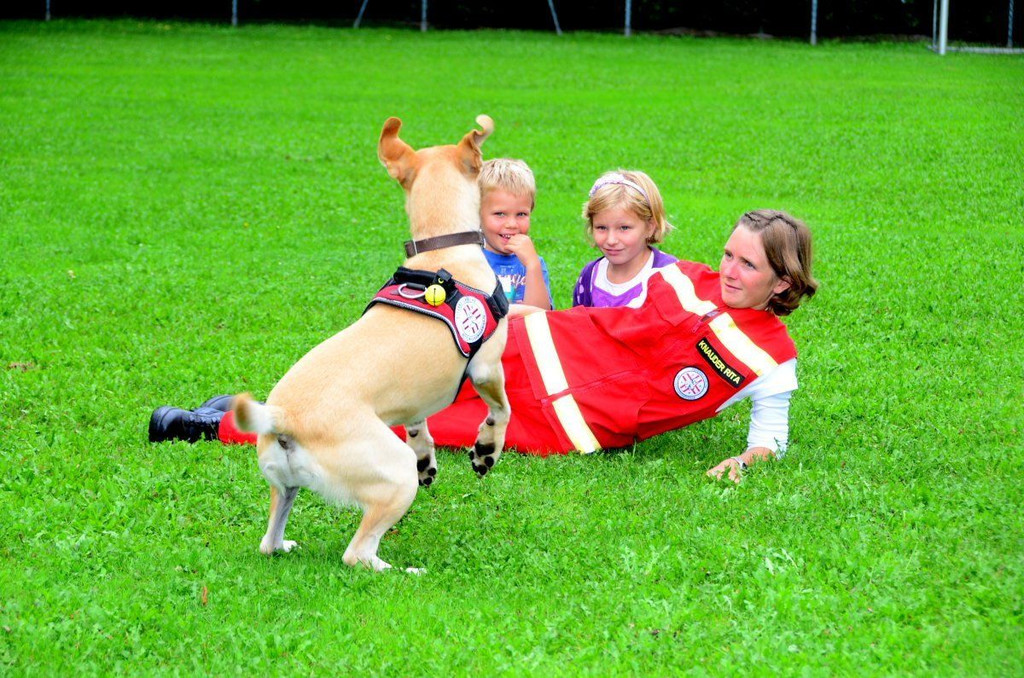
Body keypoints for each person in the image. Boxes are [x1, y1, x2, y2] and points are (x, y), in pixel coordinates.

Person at [151, 210, 816, 484]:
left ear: (783, 281)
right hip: (534, 346)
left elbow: (772, 439)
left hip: (562, 424)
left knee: (406, 428)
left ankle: (216, 426)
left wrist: (745, 461)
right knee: (399, 376)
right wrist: (511, 312)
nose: (729, 270)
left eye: (748, 265)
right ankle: (255, 409)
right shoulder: (683, 276)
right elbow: (601, 319)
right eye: (729, 254)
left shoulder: (772, 361)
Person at [572, 170, 677, 308]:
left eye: (624, 228)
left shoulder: (671, 275)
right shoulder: (590, 276)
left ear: (650, 227)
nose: (611, 240)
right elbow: (578, 320)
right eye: (601, 227)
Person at [478, 158, 553, 310]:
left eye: (521, 214)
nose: (512, 224)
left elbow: (541, 315)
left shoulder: (534, 263)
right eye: (500, 214)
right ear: (477, 214)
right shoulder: (471, 261)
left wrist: (532, 265)